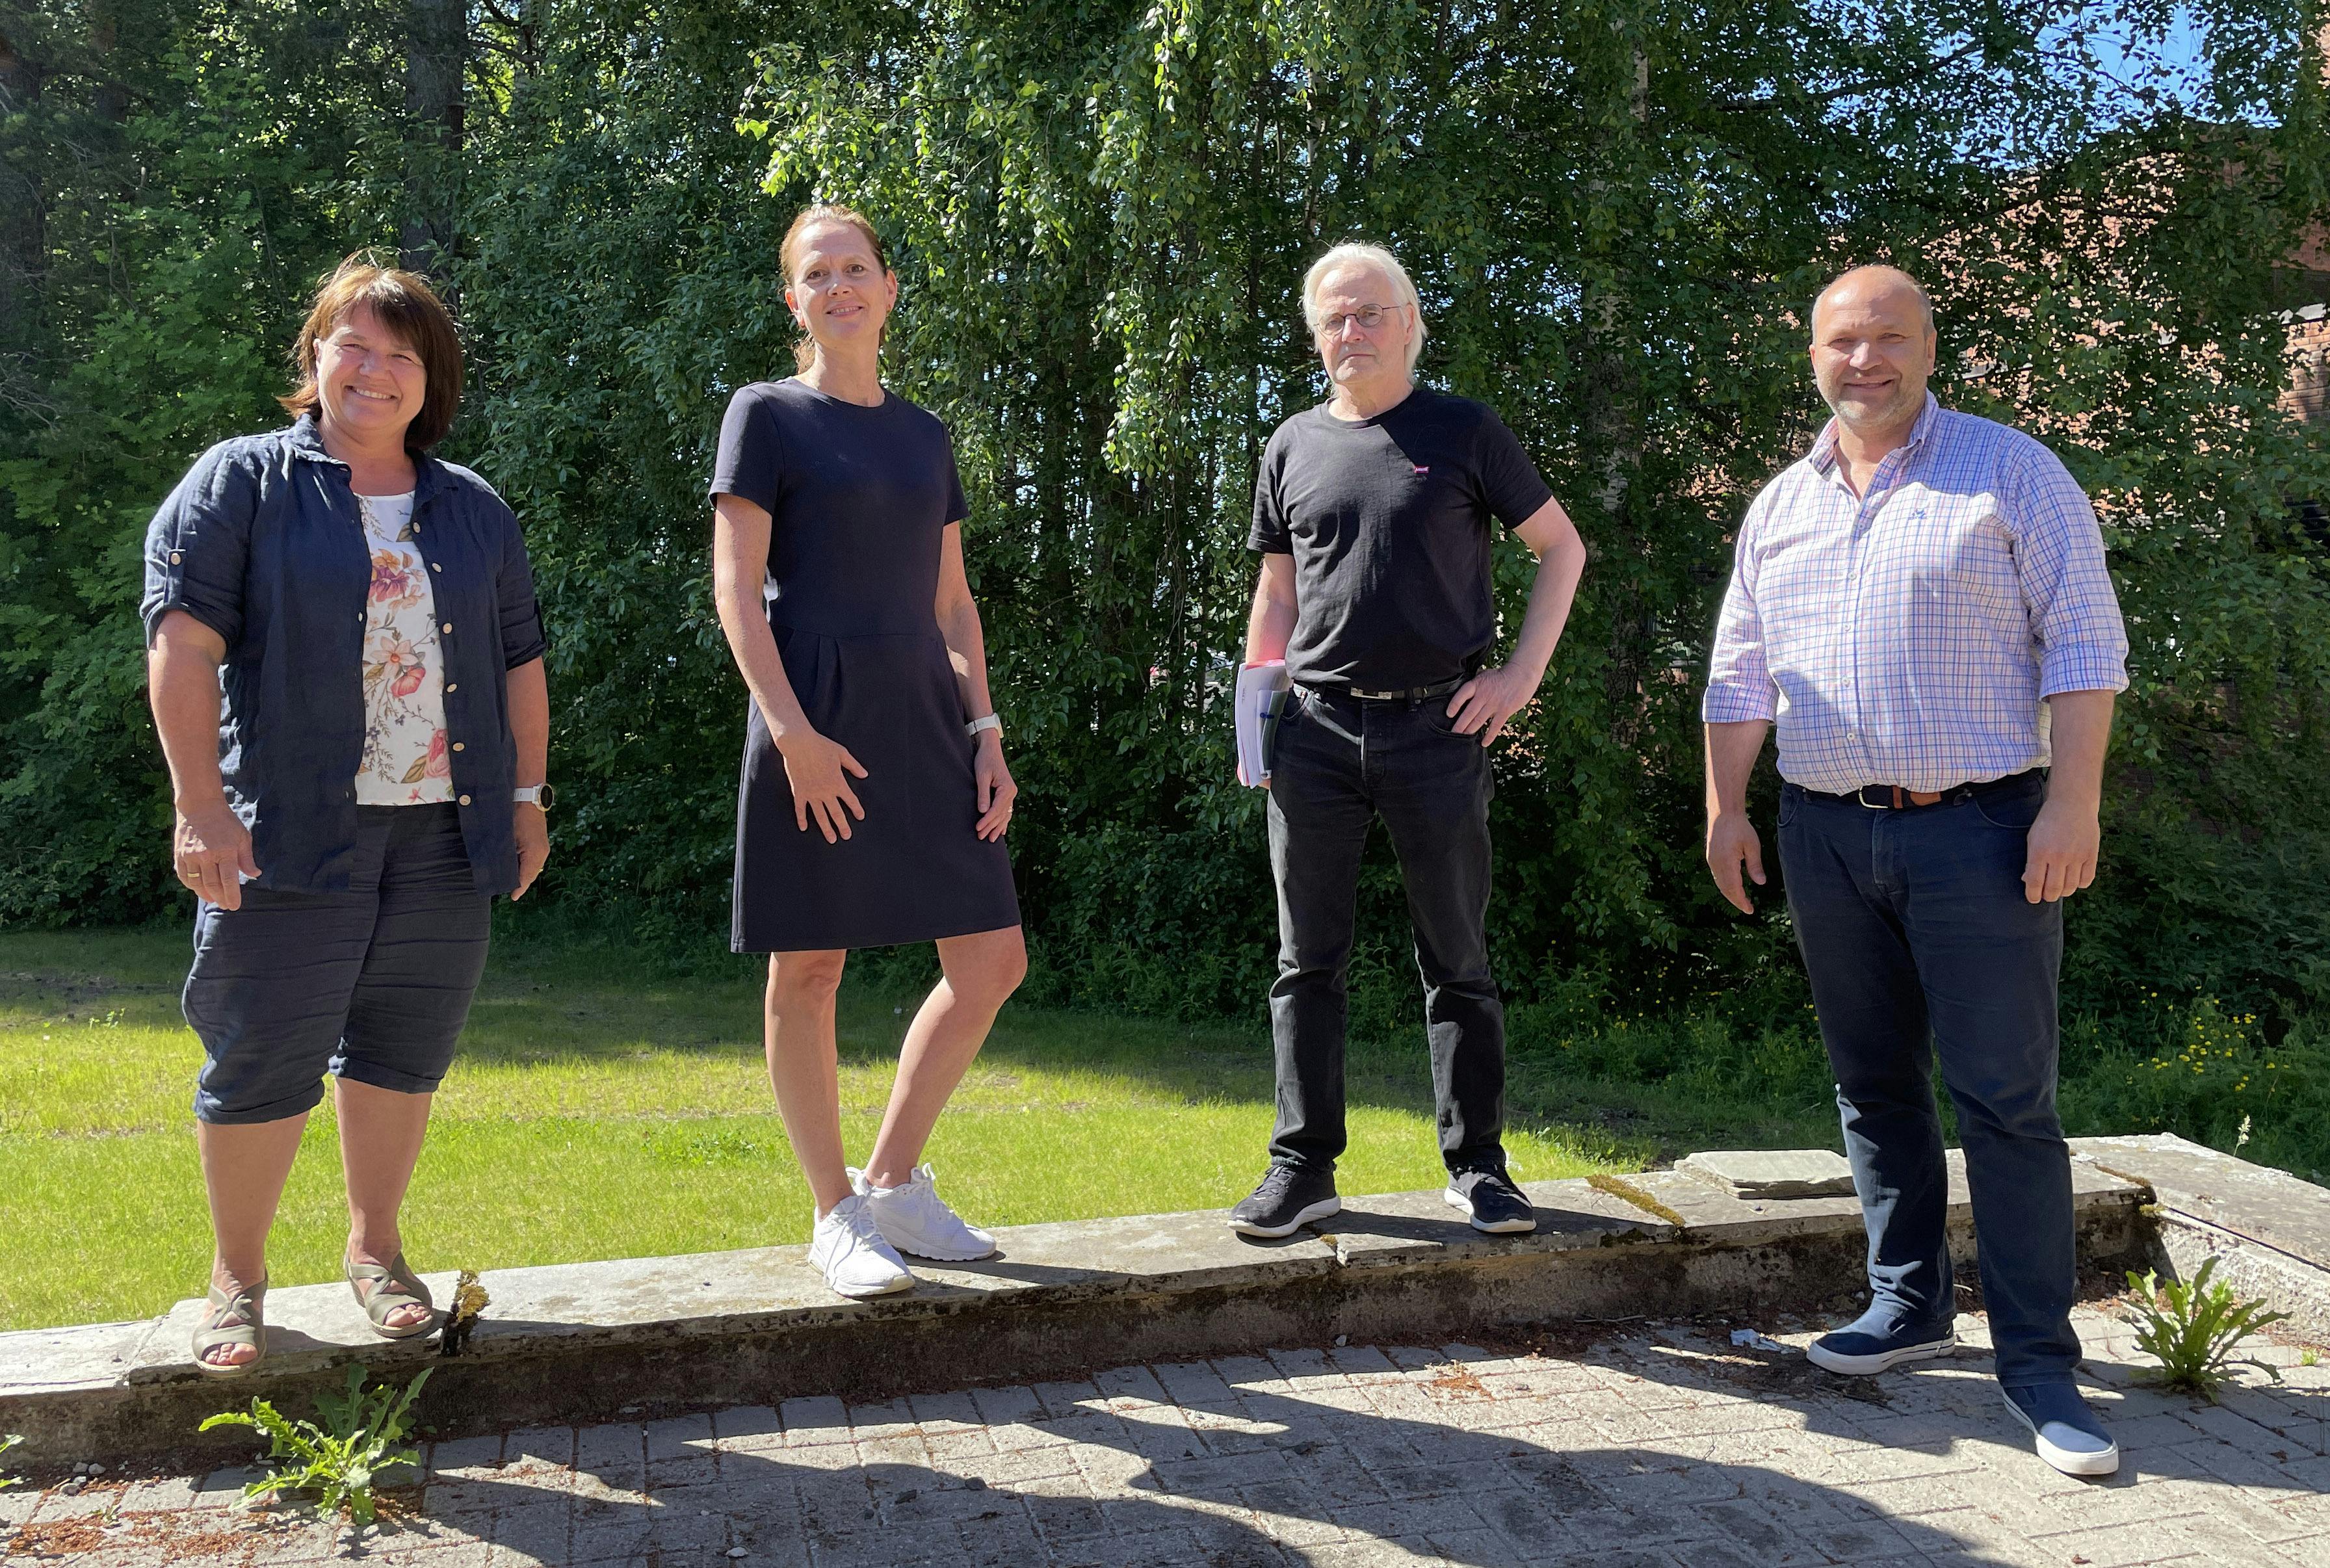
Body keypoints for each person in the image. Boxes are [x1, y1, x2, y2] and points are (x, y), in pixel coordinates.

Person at [1702, 265, 2130, 1478]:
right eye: (1842, 341)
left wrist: (2073, 803)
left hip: (1982, 832)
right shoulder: (1780, 504)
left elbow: (2086, 643)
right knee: (1874, 1085)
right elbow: (1740, 670)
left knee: (2005, 1101)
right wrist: (1726, 807)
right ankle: (1908, 1305)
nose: (1865, 360)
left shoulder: (2012, 472)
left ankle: (2040, 1367)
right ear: (1814, 358)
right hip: (1825, 834)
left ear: (1930, 347)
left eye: (1889, 337)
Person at [142, 255, 551, 1375]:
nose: (375, 371)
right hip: (285, 830)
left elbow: (519, 661)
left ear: (431, 379)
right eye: (354, 346)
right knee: (262, 1051)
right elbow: (182, 646)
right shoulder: (240, 483)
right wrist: (199, 807)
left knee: (402, 1050)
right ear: (315, 355)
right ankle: (237, 1280)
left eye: (401, 355)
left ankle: (376, 1253)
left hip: (445, 835)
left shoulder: (472, 509)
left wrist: (525, 798)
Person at [1229, 243, 1588, 1240]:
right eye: (1335, 318)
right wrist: (1256, 716)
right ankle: (1303, 1170)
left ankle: (1479, 1170)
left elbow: (1562, 548)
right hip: (1313, 731)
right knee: (1306, 963)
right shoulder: (1292, 445)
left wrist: (1518, 678)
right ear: (1316, 336)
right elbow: (1277, 593)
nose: (1352, 331)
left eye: (1370, 313)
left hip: (1438, 729)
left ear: (1409, 324)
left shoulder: (1464, 430)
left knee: (1457, 958)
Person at [710, 203, 1027, 1301]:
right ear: (792, 299)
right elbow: (736, 590)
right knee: (810, 968)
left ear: (889, 288)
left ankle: (889, 1182)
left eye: (855, 268)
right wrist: (791, 733)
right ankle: (832, 1212)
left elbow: (952, 602)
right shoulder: (765, 415)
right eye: (816, 273)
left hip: (928, 719)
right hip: (814, 712)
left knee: (992, 962)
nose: (838, 286)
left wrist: (985, 733)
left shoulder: (926, 436)